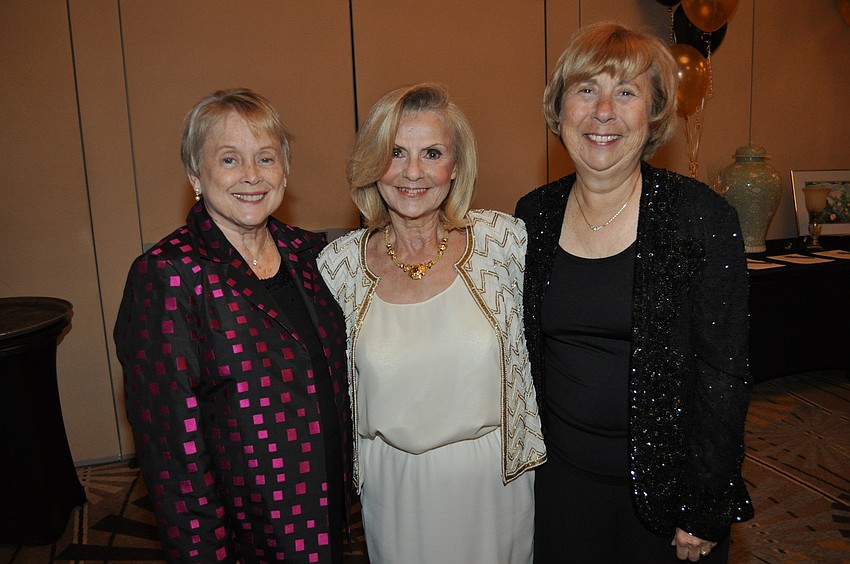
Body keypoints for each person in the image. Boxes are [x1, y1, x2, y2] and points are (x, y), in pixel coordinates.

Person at [515, 22, 753, 563]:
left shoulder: (700, 217)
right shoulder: (534, 215)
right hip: (560, 488)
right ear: (560, 109)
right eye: (586, 90)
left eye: (626, 92)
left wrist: (705, 503)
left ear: (654, 115)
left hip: (669, 499)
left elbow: (725, 373)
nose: (603, 111)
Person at [114, 88, 351, 563]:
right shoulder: (168, 275)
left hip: (327, 509)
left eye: (265, 158)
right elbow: (173, 455)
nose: (251, 176)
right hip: (247, 534)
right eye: (229, 159)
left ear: (284, 171)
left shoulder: (309, 256)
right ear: (195, 176)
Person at [317, 83, 545, 563]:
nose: (413, 172)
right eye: (395, 152)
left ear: (456, 166)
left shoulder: (503, 242)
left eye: (432, 152)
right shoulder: (338, 268)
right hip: (394, 490)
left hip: (493, 485)